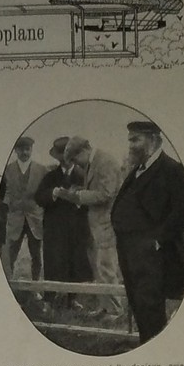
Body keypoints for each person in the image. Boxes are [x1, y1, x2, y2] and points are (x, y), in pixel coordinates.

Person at [111, 120, 184, 343]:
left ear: (152, 139)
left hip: (153, 257)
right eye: (129, 140)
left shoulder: (172, 169)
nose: (130, 145)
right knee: (139, 306)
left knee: (151, 310)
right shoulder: (138, 170)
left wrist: (158, 240)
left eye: (135, 140)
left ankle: (155, 353)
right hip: (130, 253)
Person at [57, 136, 125, 319]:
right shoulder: (93, 162)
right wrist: (75, 192)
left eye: (75, 159)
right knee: (100, 268)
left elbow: (106, 193)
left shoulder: (106, 161)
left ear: (84, 151)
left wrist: (79, 195)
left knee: (107, 268)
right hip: (98, 223)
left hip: (108, 223)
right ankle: (105, 307)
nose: (76, 164)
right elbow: (97, 188)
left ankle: (116, 311)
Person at [35, 136, 93, 302]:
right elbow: (38, 197)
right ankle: (49, 297)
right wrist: (53, 193)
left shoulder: (83, 175)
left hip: (76, 227)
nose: (66, 162)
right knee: (53, 261)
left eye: (69, 159)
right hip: (54, 228)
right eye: (62, 159)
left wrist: (78, 199)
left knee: (75, 261)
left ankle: (71, 299)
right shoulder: (50, 176)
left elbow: (94, 200)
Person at [1, 135, 46, 281]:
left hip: (35, 218)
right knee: (10, 253)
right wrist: (6, 207)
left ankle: (36, 287)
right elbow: (5, 193)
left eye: (28, 149)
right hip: (15, 218)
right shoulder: (7, 171)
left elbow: (44, 194)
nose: (25, 153)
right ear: (15, 151)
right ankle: (9, 285)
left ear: (32, 149)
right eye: (21, 150)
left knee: (36, 255)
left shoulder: (42, 170)